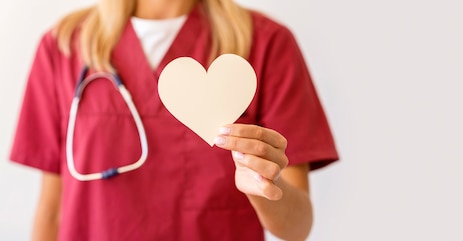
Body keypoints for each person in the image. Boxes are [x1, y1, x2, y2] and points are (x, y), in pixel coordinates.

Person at [9, 0, 339, 240]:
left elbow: (298, 228)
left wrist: (265, 187)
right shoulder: (63, 46)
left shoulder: (267, 44)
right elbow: (51, 211)